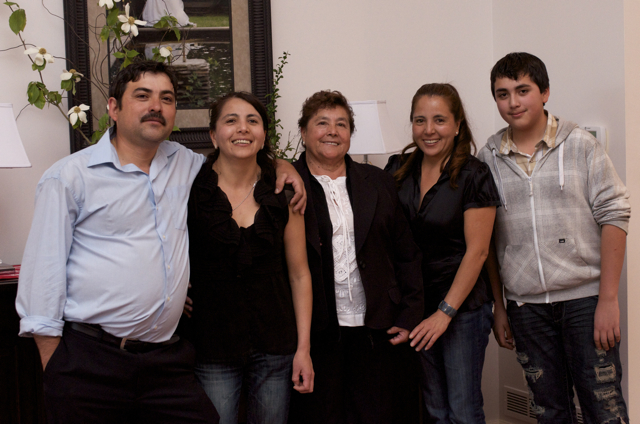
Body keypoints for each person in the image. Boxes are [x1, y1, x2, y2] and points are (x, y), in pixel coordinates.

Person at [15, 60, 305, 424]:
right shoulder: (69, 177)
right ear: (114, 108)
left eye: (166, 98)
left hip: (165, 360)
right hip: (91, 359)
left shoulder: (185, 165)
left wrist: (283, 167)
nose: (156, 106)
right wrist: (56, 368)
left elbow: (240, 159)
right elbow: (42, 276)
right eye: (143, 96)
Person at [478, 52, 630, 423]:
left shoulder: (580, 145)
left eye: (523, 90)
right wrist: (500, 306)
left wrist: (608, 299)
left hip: (585, 303)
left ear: (545, 92)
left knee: (604, 409)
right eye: (502, 94)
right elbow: (487, 242)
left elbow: (615, 214)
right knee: (549, 412)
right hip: (525, 308)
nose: (513, 102)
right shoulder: (488, 158)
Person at [287, 90, 424, 424]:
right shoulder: (287, 184)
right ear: (303, 131)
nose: (333, 131)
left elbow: (406, 254)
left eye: (342, 124)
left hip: (377, 328)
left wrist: (409, 314)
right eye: (322, 123)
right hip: (317, 332)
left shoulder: (378, 181)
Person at [180, 91, 314, 424]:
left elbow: (299, 275)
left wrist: (303, 349)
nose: (243, 128)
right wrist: (171, 291)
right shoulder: (189, 190)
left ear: (263, 135)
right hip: (213, 344)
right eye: (231, 120)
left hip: (276, 344)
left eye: (252, 121)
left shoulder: (283, 191)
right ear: (214, 135)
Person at [385, 83, 501, 423]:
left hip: (462, 309)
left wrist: (444, 313)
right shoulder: (397, 169)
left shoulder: (474, 174)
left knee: (463, 411)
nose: (429, 130)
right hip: (416, 306)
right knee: (435, 410)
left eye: (439, 120)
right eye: (420, 120)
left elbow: (478, 252)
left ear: (457, 125)